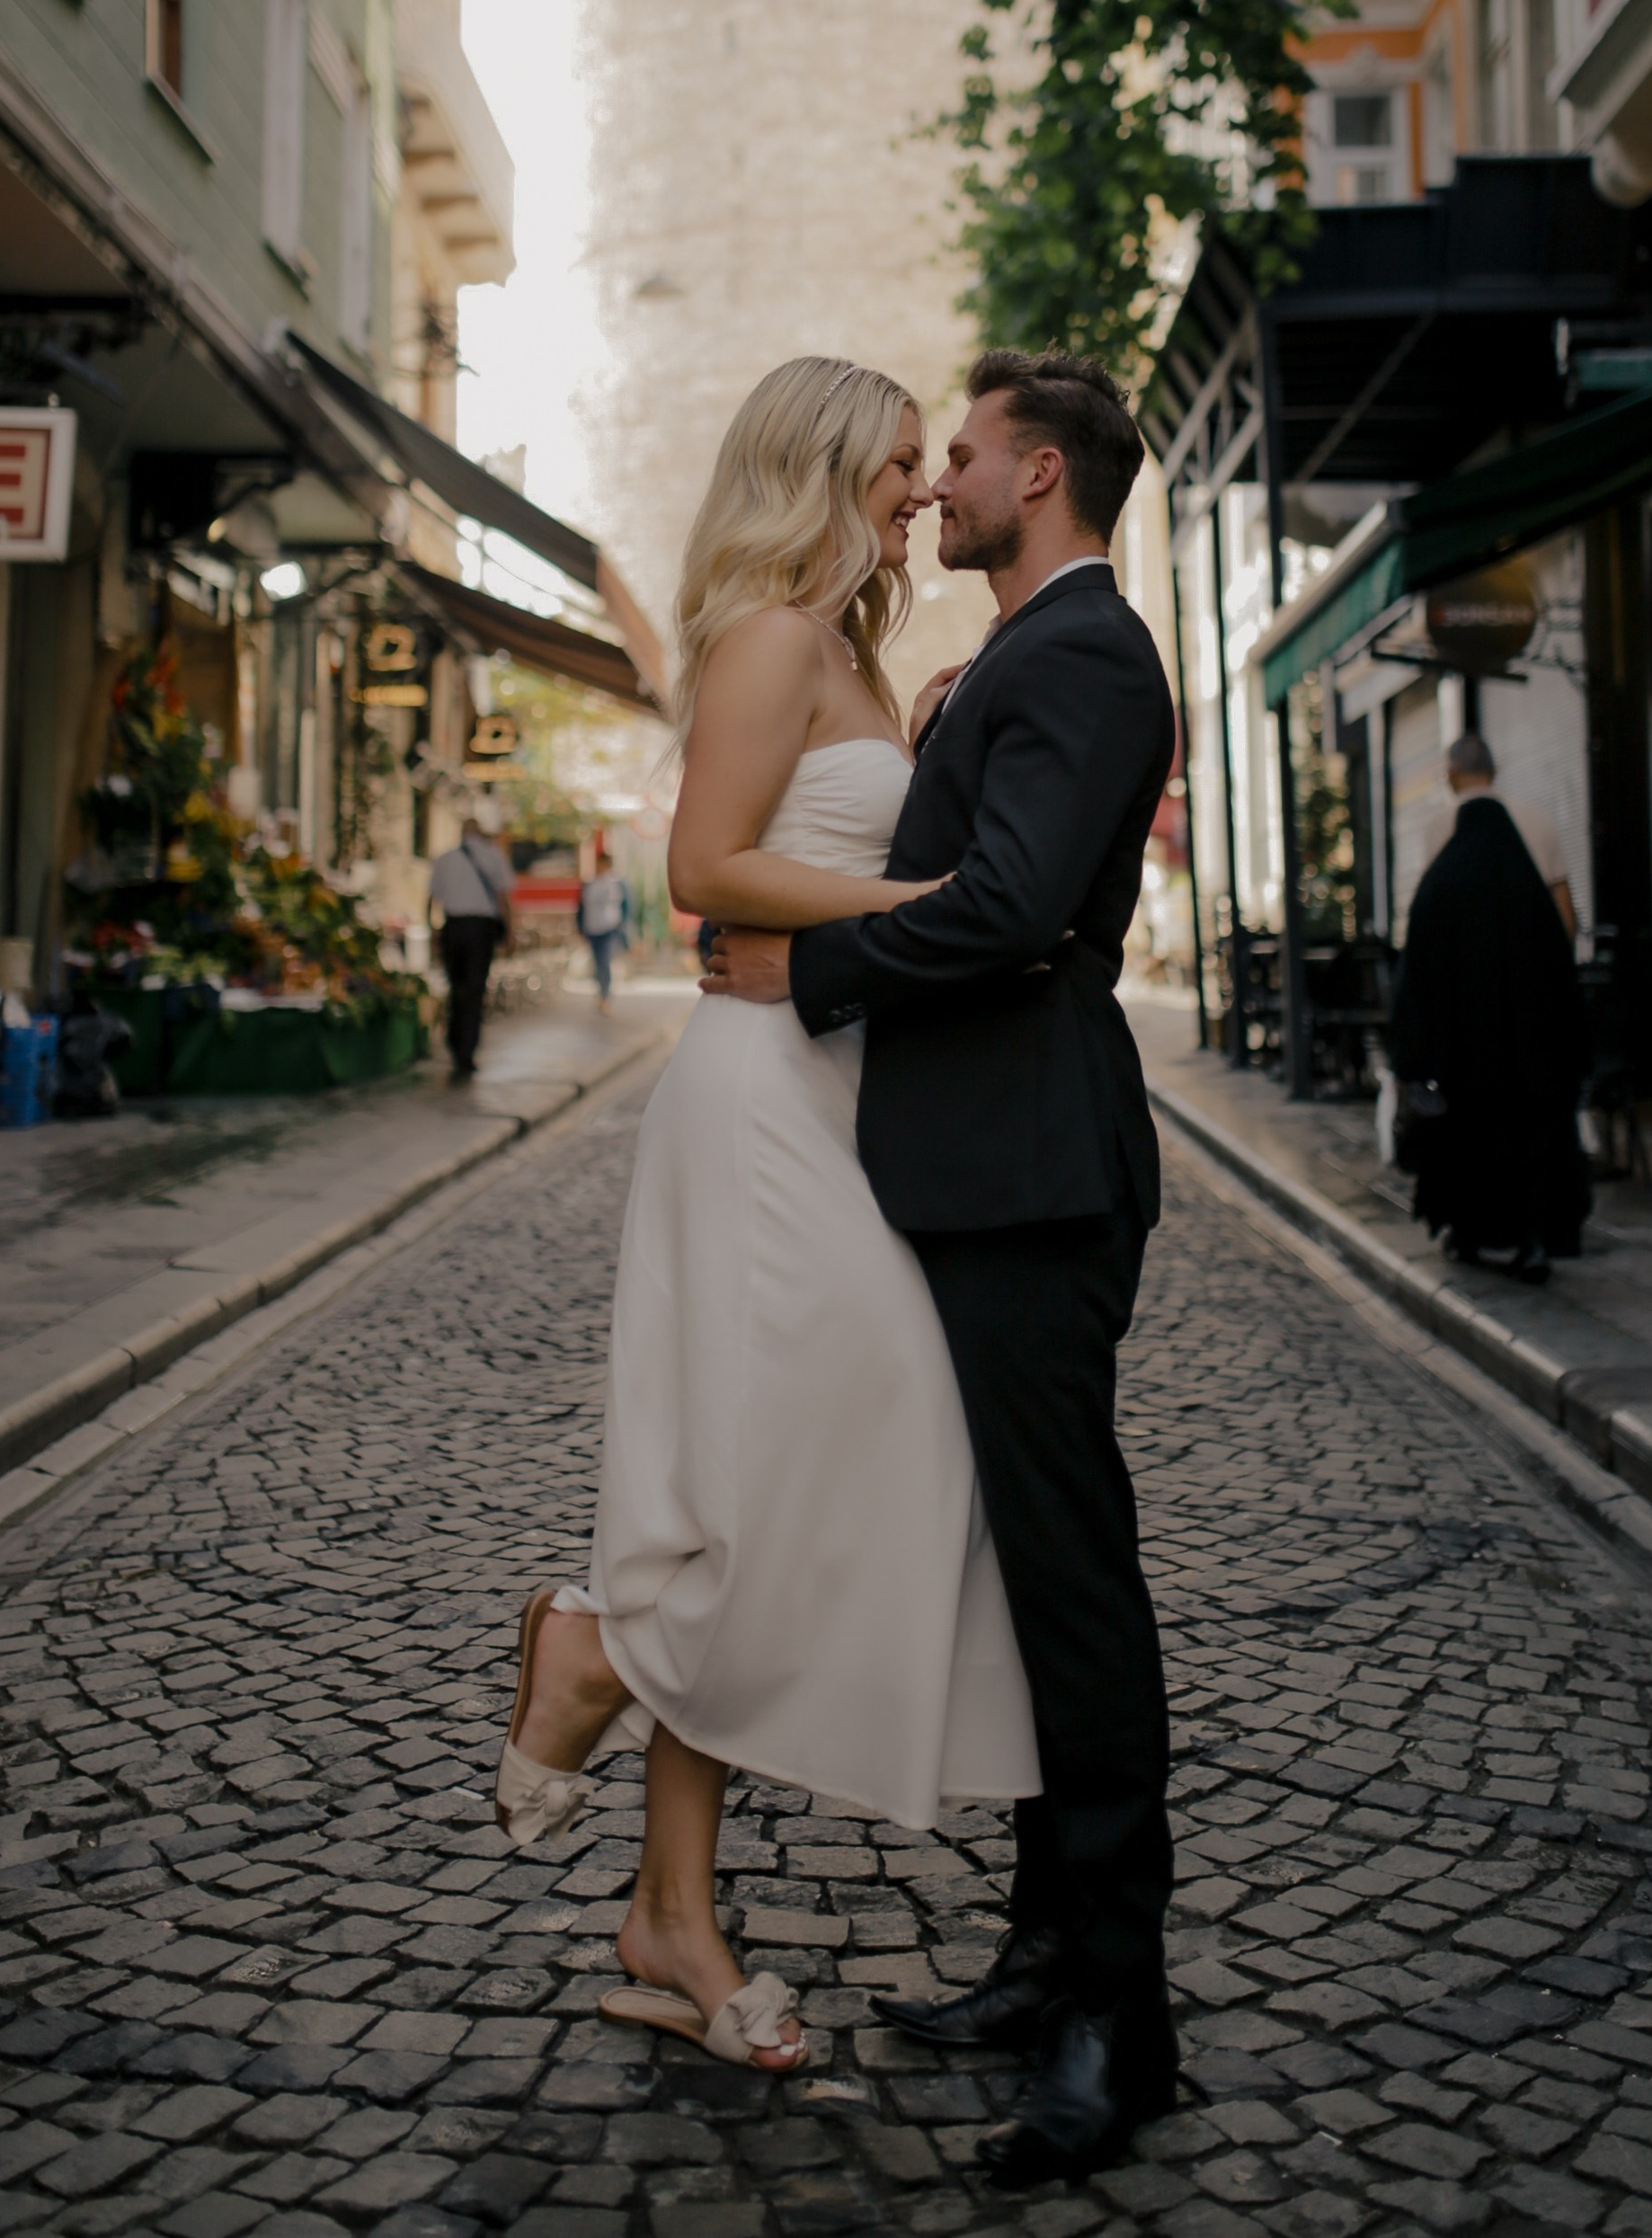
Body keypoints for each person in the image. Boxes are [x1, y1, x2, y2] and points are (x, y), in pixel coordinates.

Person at [493, 358, 1037, 2080]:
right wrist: (935, 900)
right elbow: (707, 871)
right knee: (807, 1449)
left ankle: (670, 1915)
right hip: (752, 1099)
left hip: (832, 1089)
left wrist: (934, 748)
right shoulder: (767, 639)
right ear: (815, 469)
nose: (917, 492)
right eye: (892, 465)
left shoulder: (854, 654)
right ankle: (596, 1642)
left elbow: (816, 837)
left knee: (782, 1478)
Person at [707, 348, 1180, 2189]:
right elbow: (976, 857)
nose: (936, 484)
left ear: (1038, 472)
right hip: (975, 1165)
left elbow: (1012, 907)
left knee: (1071, 1586)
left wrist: (794, 974)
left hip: (1031, 1173)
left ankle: (1116, 2022)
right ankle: (1039, 1950)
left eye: (961, 456)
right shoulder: (1026, 655)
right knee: (1023, 1563)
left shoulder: (1075, 649)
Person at [1387, 774, 1593, 1283]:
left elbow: (1416, 977)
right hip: (1530, 1062)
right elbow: (1562, 958)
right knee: (1532, 1144)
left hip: (1465, 1065)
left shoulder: (1442, 883)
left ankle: (1470, 1233)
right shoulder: (1528, 891)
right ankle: (1534, 1241)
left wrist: (1415, 1056)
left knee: (1471, 1148)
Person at [1418, 731, 1577, 937]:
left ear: (1451, 775)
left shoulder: (1441, 827)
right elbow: (1563, 905)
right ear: (1494, 771)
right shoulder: (1538, 819)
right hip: (1531, 953)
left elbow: (1434, 906)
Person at [428, 812, 513, 1079]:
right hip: (479, 929)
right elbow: (503, 897)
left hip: (453, 927)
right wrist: (510, 931)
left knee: (456, 987)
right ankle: (467, 1050)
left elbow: (431, 899)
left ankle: (456, 1045)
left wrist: (433, 931)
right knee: (475, 989)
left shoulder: (445, 858)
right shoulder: (492, 855)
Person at [578, 839, 630, 1009]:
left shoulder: (616, 884)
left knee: (604, 962)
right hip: (592, 928)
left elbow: (626, 906)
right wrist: (580, 926)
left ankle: (605, 995)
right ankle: (601, 992)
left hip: (609, 928)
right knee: (597, 962)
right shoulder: (589, 883)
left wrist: (622, 925)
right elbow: (581, 906)